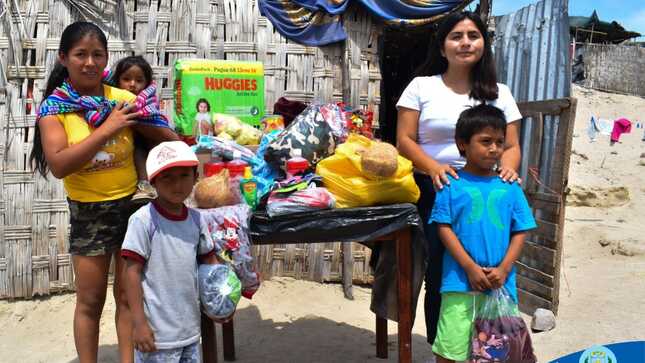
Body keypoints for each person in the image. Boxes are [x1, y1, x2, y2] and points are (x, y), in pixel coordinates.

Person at [395, 11, 523, 345]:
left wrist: (507, 168)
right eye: (456, 36)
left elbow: (511, 146)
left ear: (484, 43)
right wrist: (434, 168)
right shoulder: (421, 87)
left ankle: (488, 344)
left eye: (472, 35)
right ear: (441, 47)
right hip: (435, 189)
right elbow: (405, 140)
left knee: (491, 264)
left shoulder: (501, 93)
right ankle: (445, 346)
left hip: (485, 192)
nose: (465, 42)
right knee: (442, 272)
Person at [30, 22, 140, 362]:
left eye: (97, 55)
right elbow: (61, 164)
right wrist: (106, 129)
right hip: (88, 213)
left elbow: (157, 138)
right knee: (91, 302)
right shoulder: (52, 109)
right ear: (64, 58)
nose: (90, 63)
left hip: (132, 209)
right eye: (80, 55)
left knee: (127, 297)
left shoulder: (125, 101)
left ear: (106, 59)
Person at [428, 104, 536, 363]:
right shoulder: (450, 184)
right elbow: (443, 227)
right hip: (459, 283)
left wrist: (504, 269)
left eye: (499, 142)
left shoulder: (509, 186)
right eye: (485, 141)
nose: (494, 149)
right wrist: (469, 267)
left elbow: (521, 230)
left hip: (501, 286)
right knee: (449, 349)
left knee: (499, 351)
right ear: (462, 144)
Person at [121, 141, 218, 362]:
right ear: (153, 181)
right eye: (167, 177)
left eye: (184, 175)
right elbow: (131, 274)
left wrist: (220, 301)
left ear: (196, 177)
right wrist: (139, 324)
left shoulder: (197, 220)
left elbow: (209, 264)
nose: (177, 185)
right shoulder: (143, 221)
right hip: (156, 336)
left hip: (190, 332)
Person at [111, 55, 180, 202]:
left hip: (148, 145)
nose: (132, 84)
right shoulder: (111, 101)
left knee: (141, 149)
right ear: (117, 81)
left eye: (139, 80)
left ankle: (146, 185)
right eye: (126, 79)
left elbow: (157, 123)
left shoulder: (148, 101)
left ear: (147, 83)